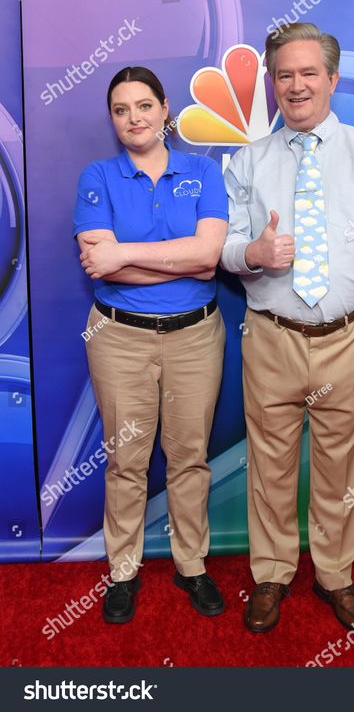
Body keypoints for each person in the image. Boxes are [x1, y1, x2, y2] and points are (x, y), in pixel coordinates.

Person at [221, 23, 354, 634]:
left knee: (342, 470)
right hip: (271, 336)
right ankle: (272, 574)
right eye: (284, 74)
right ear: (273, 83)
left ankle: (335, 574)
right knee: (269, 465)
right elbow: (220, 247)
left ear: (332, 79)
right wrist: (253, 253)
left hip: (350, 339)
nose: (296, 85)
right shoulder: (247, 162)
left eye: (309, 73)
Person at [73, 66, 228, 623]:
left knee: (190, 457)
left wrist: (127, 254)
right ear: (112, 119)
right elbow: (101, 266)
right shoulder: (97, 175)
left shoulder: (203, 171)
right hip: (119, 339)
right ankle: (123, 572)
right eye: (121, 109)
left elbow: (208, 258)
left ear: (165, 109)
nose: (133, 118)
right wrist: (172, 260)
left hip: (195, 337)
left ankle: (192, 565)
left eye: (144, 106)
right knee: (126, 462)